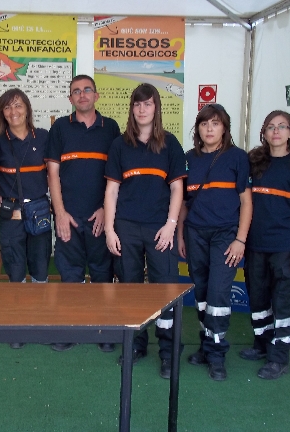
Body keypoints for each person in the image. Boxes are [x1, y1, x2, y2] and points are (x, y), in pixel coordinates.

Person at [104, 83, 186, 379]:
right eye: (137, 104)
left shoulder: (170, 144)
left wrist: (170, 225)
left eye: (147, 104)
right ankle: (136, 345)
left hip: (159, 229)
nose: (142, 109)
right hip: (126, 228)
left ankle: (168, 352)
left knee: (165, 290)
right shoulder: (119, 145)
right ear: (132, 109)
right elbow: (112, 190)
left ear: (156, 108)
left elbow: (177, 189)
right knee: (131, 289)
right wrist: (110, 229)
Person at [241, 110, 290, 379]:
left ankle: (279, 357)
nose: (276, 131)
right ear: (264, 132)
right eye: (271, 127)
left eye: (282, 126)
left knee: (283, 302)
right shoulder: (253, 162)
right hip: (255, 245)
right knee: (258, 297)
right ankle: (262, 344)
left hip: (285, 246)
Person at [45, 74, 120, 352]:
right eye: (76, 91)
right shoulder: (60, 128)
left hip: (100, 218)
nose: (82, 94)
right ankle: (71, 329)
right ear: (70, 98)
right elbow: (52, 174)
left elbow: (116, 175)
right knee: (70, 276)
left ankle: (104, 330)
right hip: (70, 218)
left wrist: (105, 211)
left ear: (96, 95)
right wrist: (60, 213)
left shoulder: (111, 128)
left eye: (87, 90)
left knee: (102, 274)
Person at [177, 103, 252, 381]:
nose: (209, 129)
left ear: (225, 128)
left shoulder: (237, 157)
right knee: (202, 292)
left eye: (216, 123)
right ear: (198, 128)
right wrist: (181, 235)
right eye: (204, 123)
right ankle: (207, 345)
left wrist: (240, 239)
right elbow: (183, 203)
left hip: (226, 235)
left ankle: (217, 355)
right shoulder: (188, 159)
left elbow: (247, 202)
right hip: (195, 233)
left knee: (218, 293)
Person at [0, 88, 52, 348]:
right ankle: (16, 325)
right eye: (7, 107)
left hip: (39, 209)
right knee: (15, 269)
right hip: (11, 213)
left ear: (27, 108)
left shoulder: (44, 137)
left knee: (40, 267)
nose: (13, 111)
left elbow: (54, 173)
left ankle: (40, 322)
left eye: (18, 105)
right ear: (2, 113)